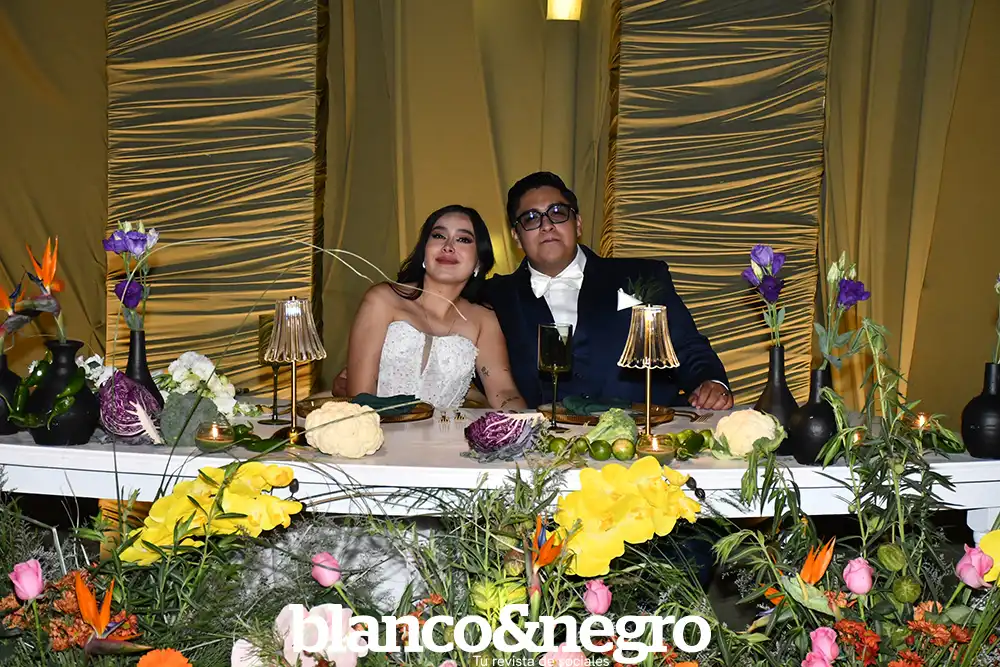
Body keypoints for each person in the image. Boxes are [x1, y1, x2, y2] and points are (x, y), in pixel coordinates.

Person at [484, 171, 733, 410]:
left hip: (649, 430)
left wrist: (710, 381)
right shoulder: (496, 296)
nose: (546, 225)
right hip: (545, 435)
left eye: (557, 212)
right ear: (516, 236)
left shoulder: (642, 276)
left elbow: (686, 345)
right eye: (531, 218)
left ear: (578, 224)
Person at [344, 204, 526, 411]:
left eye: (463, 239)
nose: (448, 246)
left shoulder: (484, 319)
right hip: (377, 427)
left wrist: (526, 421)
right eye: (439, 236)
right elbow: (360, 397)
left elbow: (503, 390)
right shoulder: (382, 299)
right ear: (424, 252)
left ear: (478, 262)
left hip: (450, 431)